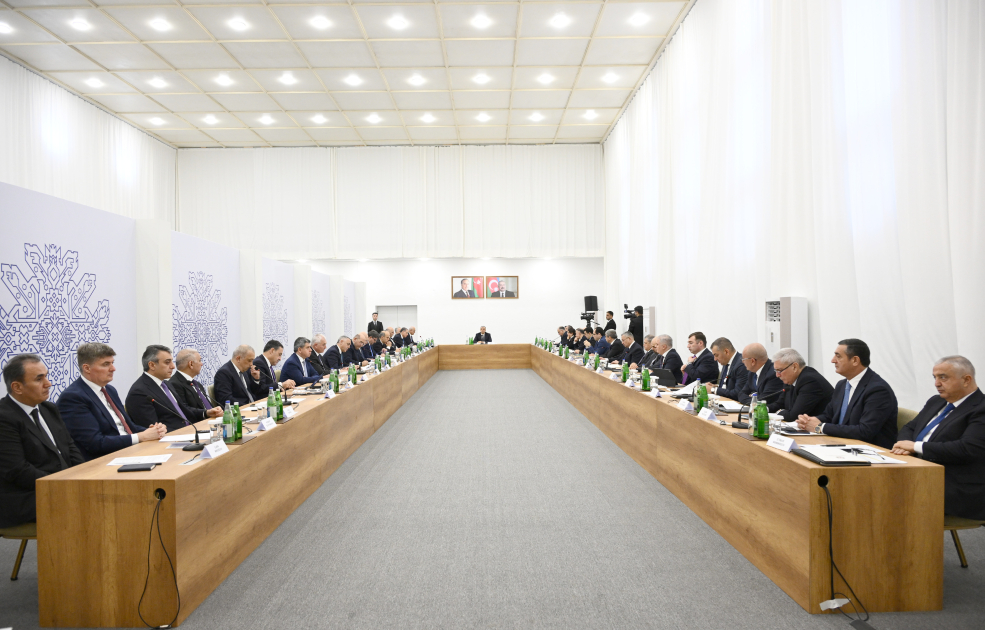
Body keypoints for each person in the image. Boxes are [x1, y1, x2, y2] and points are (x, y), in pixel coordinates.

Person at [893, 356, 985, 520]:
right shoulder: (936, 401)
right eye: (935, 377)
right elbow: (910, 427)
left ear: (966, 380)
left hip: (956, 485)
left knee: (887, 497)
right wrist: (904, 446)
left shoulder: (981, 408)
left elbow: (967, 449)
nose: (936, 383)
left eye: (943, 377)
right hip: (920, 470)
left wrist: (915, 447)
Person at [0, 354, 85, 527]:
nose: (48, 384)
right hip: (26, 496)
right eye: (39, 379)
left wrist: (84, 476)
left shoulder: (48, 408)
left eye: (46, 376)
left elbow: (69, 446)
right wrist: (63, 485)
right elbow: (18, 471)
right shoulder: (4, 418)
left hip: (59, 486)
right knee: (91, 505)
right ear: (17, 387)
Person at [57, 343, 166, 460]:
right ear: (87, 368)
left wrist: (153, 431)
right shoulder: (73, 397)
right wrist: (140, 437)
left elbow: (128, 427)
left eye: (112, 363)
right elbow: (95, 443)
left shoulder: (110, 390)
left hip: (130, 451)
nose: (113, 369)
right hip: (104, 460)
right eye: (106, 364)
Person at [795, 339, 898, 449]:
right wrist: (810, 421)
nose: (833, 360)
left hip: (869, 450)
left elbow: (865, 431)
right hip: (840, 444)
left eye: (838, 356)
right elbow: (829, 415)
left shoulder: (878, 390)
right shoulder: (842, 385)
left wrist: (820, 427)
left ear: (855, 360)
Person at [126, 345, 222, 432]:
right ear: (152, 365)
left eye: (172, 361)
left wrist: (206, 413)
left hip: (190, 431)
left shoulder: (166, 384)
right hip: (173, 438)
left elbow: (184, 409)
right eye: (167, 362)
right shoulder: (139, 392)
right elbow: (151, 429)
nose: (172, 366)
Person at [769, 348, 833, 421]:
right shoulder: (790, 379)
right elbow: (780, 404)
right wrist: (764, 409)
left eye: (780, 370)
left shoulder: (810, 381)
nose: (777, 375)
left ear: (795, 367)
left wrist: (778, 412)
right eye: (776, 371)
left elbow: (794, 416)